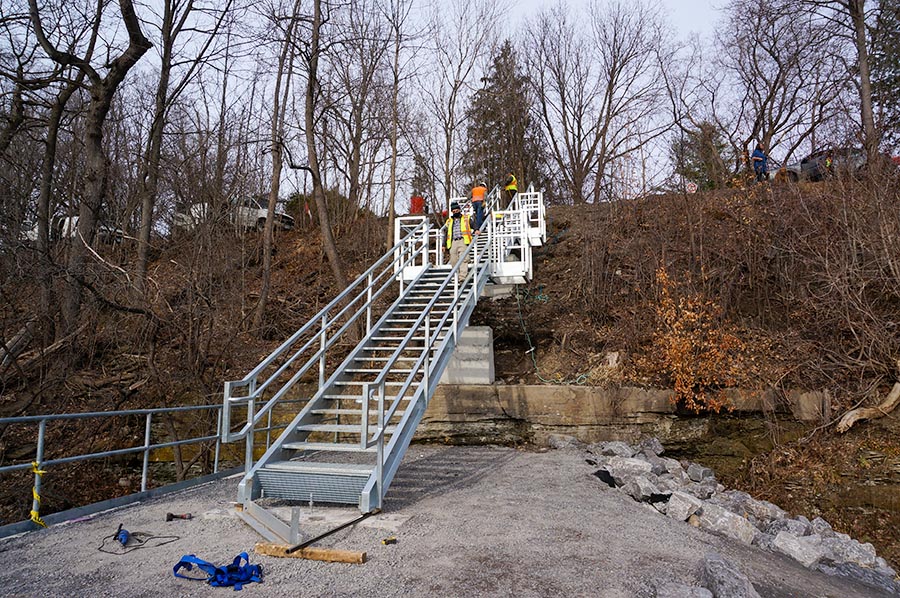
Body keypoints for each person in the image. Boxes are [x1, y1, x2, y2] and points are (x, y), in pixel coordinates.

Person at [445, 201, 473, 278]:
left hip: (463, 240)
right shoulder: (449, 221)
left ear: (460, 210)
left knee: (464, 258)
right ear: (452, 212)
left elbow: (474, 224)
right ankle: (456, 276)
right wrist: (444, 245)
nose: (455, 212)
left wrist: (477, 229)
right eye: (454, 211)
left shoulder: (466, 218)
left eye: (457, 210)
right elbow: (446, 233)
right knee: (453, 260)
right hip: (453, 242)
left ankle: (462, 277)